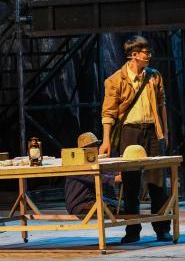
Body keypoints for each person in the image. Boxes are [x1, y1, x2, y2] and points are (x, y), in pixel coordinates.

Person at [99, 35, 171, 244]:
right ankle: (132, 230)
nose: (149, 56)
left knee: (158, 181)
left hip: (152, 131)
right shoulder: (115, 80)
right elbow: (108, 113)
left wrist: (165, 132)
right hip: (130, 132)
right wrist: (106, 140)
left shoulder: (154, 76)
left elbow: (162, 105)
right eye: (145, 53)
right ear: (134, 55)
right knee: (130, 183)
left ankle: (162, 228)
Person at [64, 132, 118, 215]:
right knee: (114, 210)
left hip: (91, 201)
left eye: (96, 145)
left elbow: (102, 171)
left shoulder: (90, 162)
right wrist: (115, 178)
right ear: (83, 149)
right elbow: (94, 177)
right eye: (93, 146)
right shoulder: (76, 165)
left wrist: (117, 173)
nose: (96, 148)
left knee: (119, 206)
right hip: (80, 205)